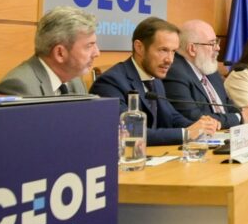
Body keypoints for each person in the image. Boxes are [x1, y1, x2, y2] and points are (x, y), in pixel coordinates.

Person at [91, 17, 219, 145]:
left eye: (173, 51)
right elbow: (131, 132)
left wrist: (201, 126)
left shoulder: (155, 79)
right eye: (163, 50)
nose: (170, 60)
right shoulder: (110, 82)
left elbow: (172, 117)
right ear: (139, 47)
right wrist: (186, 133)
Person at [163, 19, 248, 127]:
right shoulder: (175, 73)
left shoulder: (210, 70)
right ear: (192, 49)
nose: (218, 48)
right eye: (212, 43)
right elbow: (194, 118)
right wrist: (240, 117)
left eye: (217, 42)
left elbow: (227, 106)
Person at [0, 6, 100, 96]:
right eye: (89, 46)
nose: (97, 53)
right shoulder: (18, 87)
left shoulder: (75, 81)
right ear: (60, 53)